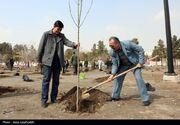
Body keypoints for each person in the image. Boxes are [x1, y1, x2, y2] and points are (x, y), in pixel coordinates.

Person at [37, 20, 79, 108]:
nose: (59, 31)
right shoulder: (46, 34)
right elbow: (40, 47)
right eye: (58, 29)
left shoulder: (61, 36)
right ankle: (44, 100)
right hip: (47, 62)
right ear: (53, 26)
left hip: (58, 62)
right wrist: (39, 60)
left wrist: (74, 44)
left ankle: (53, 98)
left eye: (60, 30)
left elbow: (67, 42)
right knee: (46, 81)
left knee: (56, 81)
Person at [107, 36, 151, 106]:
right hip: (123, 66)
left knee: (138, 78)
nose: (111, 48)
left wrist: (140, 62)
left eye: (112, 46)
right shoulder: (112, 52)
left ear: (117, 43)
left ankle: (145, 99)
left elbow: (141, 50)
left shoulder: (128, 44)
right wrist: (112, 74)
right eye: (110, 46)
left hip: (135, 64)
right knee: (118, 78)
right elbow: (115, 64)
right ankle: (115, 96)